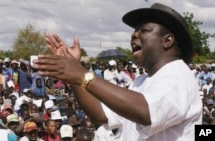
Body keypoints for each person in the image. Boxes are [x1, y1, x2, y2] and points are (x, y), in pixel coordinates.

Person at [33, 3, 202, 141]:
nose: (134, 35)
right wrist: (76, 74)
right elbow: (100, 115)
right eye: (135, 30)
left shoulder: (177, 75)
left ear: (167, 40)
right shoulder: (141, 81)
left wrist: (82, 75)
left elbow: (146, 112)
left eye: (143, 30)